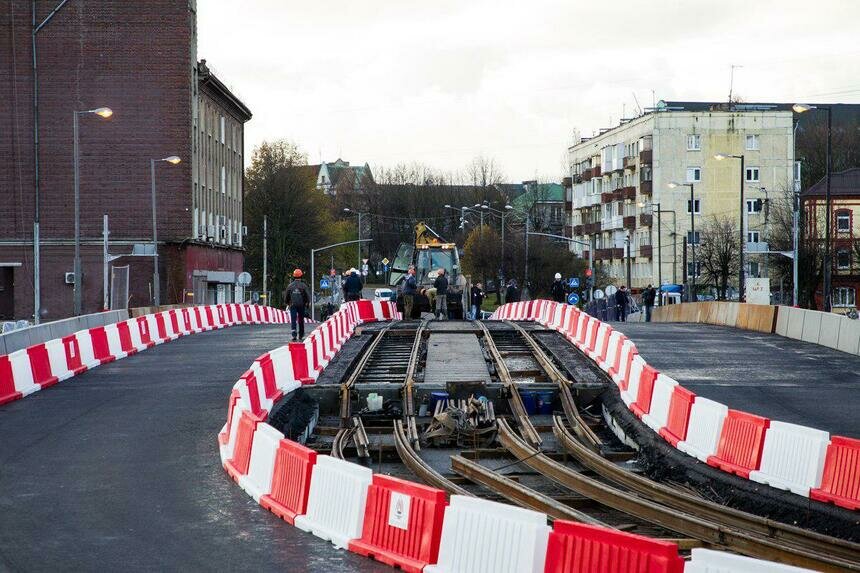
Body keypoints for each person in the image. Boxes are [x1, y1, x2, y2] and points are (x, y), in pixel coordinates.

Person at [283, 269, 310, 341]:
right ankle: (301, 334)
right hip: (301, 305)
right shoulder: (303, 286)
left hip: (293, 305)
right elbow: (307, 296)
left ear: (293, 276)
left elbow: (286, 296)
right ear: (301, 276)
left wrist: (287, 303)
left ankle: (294, 334)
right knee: (301, 319)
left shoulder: (290, 286)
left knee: (293, 319)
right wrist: (307, 303)